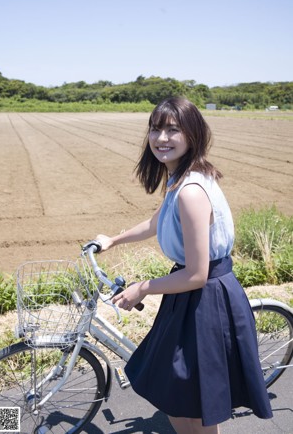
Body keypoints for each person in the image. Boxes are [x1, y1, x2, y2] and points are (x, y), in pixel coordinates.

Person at [96, 97, 273, 434]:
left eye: (173, 129)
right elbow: (156, 222)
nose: (161, 138)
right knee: (188, 400)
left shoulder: (191, 190)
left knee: (186, 406)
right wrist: (113, 240)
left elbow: (196, 274)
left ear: (192, 134)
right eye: (156, 128)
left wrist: (142, 288)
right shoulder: (181, 178)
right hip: (191, 295)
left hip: (204, 298)